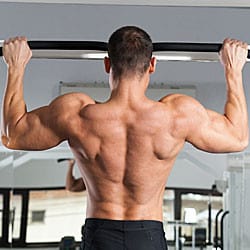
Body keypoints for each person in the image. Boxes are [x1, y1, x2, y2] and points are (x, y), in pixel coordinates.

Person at [1, 26, 248, 250]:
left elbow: (13, 135)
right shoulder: (177, 116)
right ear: (152, 64)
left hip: (100, 235)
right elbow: (238, 138)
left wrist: (16, 67)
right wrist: (233, 70)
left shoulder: (76, 114)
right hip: (148, 236)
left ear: (108, 65)